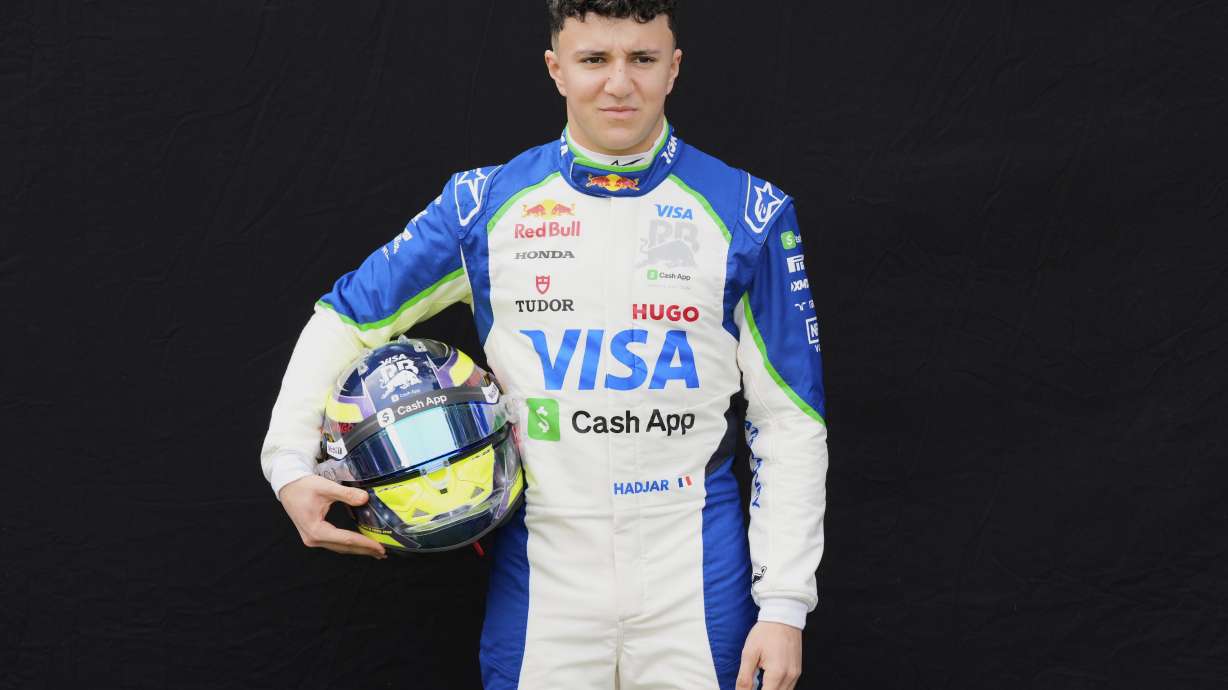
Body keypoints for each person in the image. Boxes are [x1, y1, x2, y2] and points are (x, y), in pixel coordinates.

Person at [260, 2, 829, 688]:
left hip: (697, 576)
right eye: (595, 60)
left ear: (673, 69)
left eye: (641, 59)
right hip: (545, 575)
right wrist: (288, 464)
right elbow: (347, 318)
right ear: (556, 70)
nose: (619, 83)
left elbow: (789, 418)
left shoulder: (751, 211)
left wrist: (785, 603)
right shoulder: (482, 204)